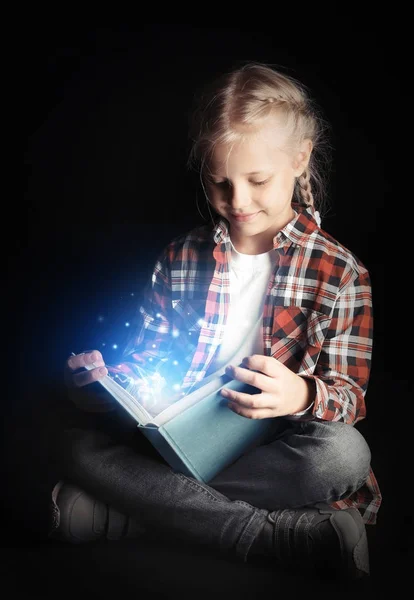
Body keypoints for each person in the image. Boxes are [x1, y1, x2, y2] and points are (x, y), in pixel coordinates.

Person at [49, 62, 382, 582]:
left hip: (273, 451)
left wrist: (299, 395)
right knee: (69, 441)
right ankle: (276, 538)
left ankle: (133, 515)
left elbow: (348, 397)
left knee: (343, 456)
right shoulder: (181, 256)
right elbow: (150, 356)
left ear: (300, 158)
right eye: (219, 182)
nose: (237, 201)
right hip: (178, 443)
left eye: (257, 180)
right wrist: (107, 382)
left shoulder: (340, 272)